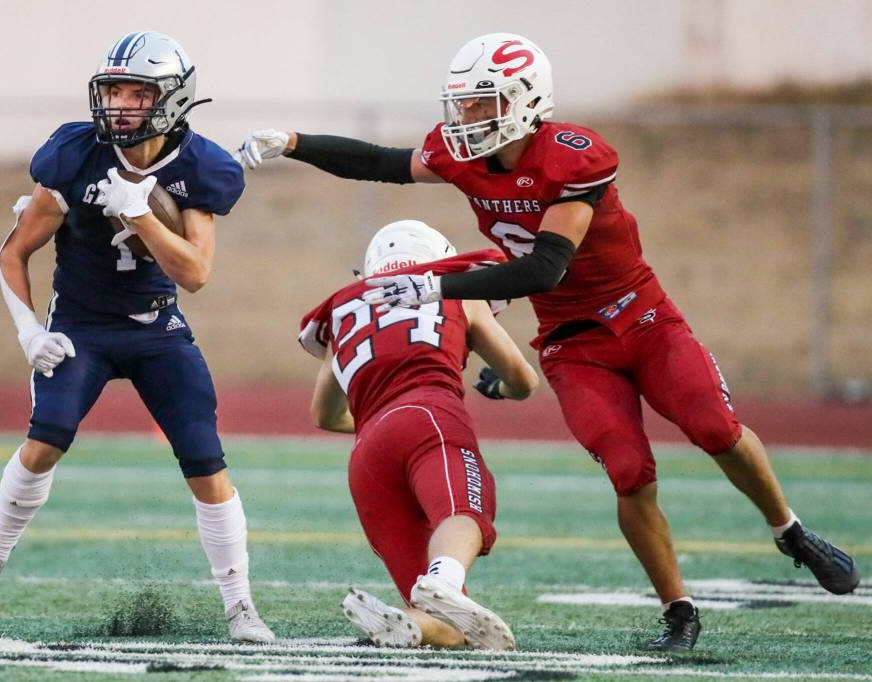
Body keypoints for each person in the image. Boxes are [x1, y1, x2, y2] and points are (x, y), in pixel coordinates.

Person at [237, 33, 860, 651]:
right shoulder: (464, 158)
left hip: (642, 317)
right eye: (463, 104)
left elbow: (545, 268)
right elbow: (379, 162)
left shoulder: (572, 158)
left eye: (482, 104)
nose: (466, 117)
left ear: (527, 101)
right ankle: (680, 609)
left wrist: (436, 288)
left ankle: (789, 530)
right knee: (629, 470)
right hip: (571, 341)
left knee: (713, 426)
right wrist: (294, 143)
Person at [0, 31, 275, 644]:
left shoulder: (200, 166)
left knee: (204, 457)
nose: (119, 106)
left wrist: (138, 214)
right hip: (80, 325)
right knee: (46, 437)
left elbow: (195, 274)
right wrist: (29, 330)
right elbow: (13, 252)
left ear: (170, 99)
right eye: (113, 91)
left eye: (137, 93)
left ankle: (241, 607)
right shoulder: (74, 154)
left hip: (156, 325)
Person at [300, 219, 539, 649]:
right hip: (430, 413)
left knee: (453, 621)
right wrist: (500, 389)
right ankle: (444, 579)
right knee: (467, 510)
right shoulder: (453, 291)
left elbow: (323, 415)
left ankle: (414, 624)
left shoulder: (344, 308)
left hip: (368, 450)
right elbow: (524, 379)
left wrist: (383, 418)